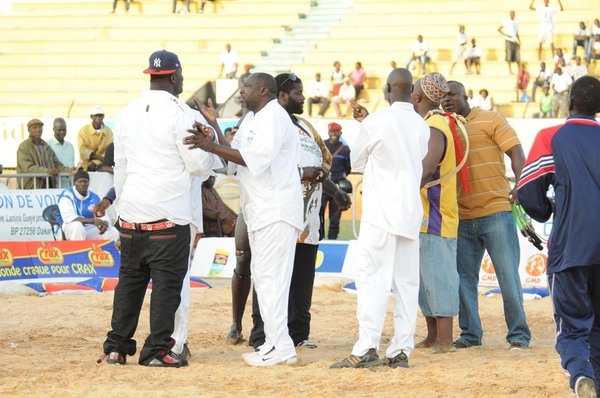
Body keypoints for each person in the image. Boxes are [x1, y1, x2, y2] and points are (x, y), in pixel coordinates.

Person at [100, 50, 221, 368]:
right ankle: (155, 351)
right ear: (174, 76)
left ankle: (116, 347)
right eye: (180, 76)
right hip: (168, 216)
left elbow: (121, 167)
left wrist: (123, 209)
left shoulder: (126, 112)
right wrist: (209, 146)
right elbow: (200, 167)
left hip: (132, 213)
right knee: (167, 287)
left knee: (129, 283)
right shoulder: (183, 115)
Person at [183, 72, 304, 367]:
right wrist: (214, 126)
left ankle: (282, 346)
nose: (240, 91)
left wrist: (209, 145)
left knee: (273, 280)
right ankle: (274, 344)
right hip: (259, 211)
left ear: (264, 90)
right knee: (263, 279)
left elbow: (255, 160)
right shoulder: (251, 119)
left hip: (276, 210)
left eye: (246, 87)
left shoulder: (275, 117)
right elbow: (235, 156)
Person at [331, 68, 429, 369]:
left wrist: (366, 125)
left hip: (380, 214)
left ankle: (366, 349)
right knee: (407, 284)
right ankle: (401, 351)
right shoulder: (421, 125)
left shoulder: (377, 121)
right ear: (411, 90)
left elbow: (358, 160)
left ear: (387, 89)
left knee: (373, 281)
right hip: (410, 212)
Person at [518, 75, 600, 398]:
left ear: (571, 103)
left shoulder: (551, 136)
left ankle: (581, 376)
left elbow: (528, 192)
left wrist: (548, 208)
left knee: (573, 327)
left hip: (570, 248)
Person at [248, 72, 342, 350]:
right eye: (298, 94)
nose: (303, 98)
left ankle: (299, 333)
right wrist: (301, 173)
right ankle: (262, 335)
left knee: (302, 277)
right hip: (276, 212)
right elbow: (259, 165)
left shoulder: (305, 126)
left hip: (308, 216)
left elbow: (325, 161)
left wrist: (334, 191)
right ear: (281, 96)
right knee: (271, 276)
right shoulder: (262, 123)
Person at [441, 80, 531, 351]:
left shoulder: (491, 119)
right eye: (443, 96)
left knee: (507, 276)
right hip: (462, 215)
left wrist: (521, 184)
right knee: (464, 278)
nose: (447, 100)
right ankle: (470, 335)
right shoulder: (443, 127)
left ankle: (519, 335)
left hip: (496, 212)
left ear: (465, 96)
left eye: (452, 95)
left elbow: (515, 151)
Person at [410, 72, 461, 354]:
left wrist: (403, 194)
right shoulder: (432, 123)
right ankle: (433, 335)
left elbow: (427, 169)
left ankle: (444, 339)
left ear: (417, 96)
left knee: (439, 275)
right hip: (428, 212)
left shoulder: (435, 125)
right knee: (425, 277)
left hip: (437, 213)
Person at [57, 168, 119, 241]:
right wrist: (93, 221)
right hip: (67, 228)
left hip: (88, 229)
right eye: (80, 181)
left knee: (113, 232)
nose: (83, 184)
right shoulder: (67, 195)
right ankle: (79, 252)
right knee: (77, 226)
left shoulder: (94, 197)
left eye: (85, 181)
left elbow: (103, 217)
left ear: (89, 182)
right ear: (74, 183)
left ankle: (104, 252)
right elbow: (70, 219)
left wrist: (104, 223)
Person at [16, 118, 73, 189]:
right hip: (31, 188)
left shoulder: (46, 146)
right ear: (28, 130)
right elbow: (28, 167)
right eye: (35, 128)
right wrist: (47, 171)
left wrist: (70, 170)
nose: (38, 130)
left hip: (47, 187)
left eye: (40, 127)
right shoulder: (24, 146)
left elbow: (56, 165)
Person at [320, 122, 351, 240]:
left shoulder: (345, 149)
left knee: (335, 217)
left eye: (336, 131)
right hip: (323, 186)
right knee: (319, 214)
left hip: (338, 187)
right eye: (332, 131)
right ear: (328, 132)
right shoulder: (322, 145)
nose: (334, 133)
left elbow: (348, 168)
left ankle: (332, 240)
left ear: (340, 133)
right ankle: (320, 238)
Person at [77, 106, 113, 172]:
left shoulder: (109, 132)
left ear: (103, 116)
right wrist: (98, 157)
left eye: (100, 115)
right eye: (96, 115)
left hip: (102, 166)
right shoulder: (83, 130)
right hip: (84, 167)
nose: (98, 117)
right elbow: (82, 150)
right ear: (91, 117)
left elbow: (109, 150)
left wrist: (95, 162)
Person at [47, 117, 75, 187]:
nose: (62, 132)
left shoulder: (70, 146)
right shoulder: (48, 145)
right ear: (53, 129)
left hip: (71, 185)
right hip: (56, 187)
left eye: (64, 130)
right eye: (59, 130)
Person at [498, 10, 521, 74]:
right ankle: (510, 70)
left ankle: (519, 70)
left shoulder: (516, 22)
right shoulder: (506, 22)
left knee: (517, 57)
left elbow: (516, 32)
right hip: (508, 40)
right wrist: (506, 34)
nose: (512, 15)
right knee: (509, 56)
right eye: (511, 14)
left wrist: (519, 41)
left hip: (514, 40)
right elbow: (499, 29)